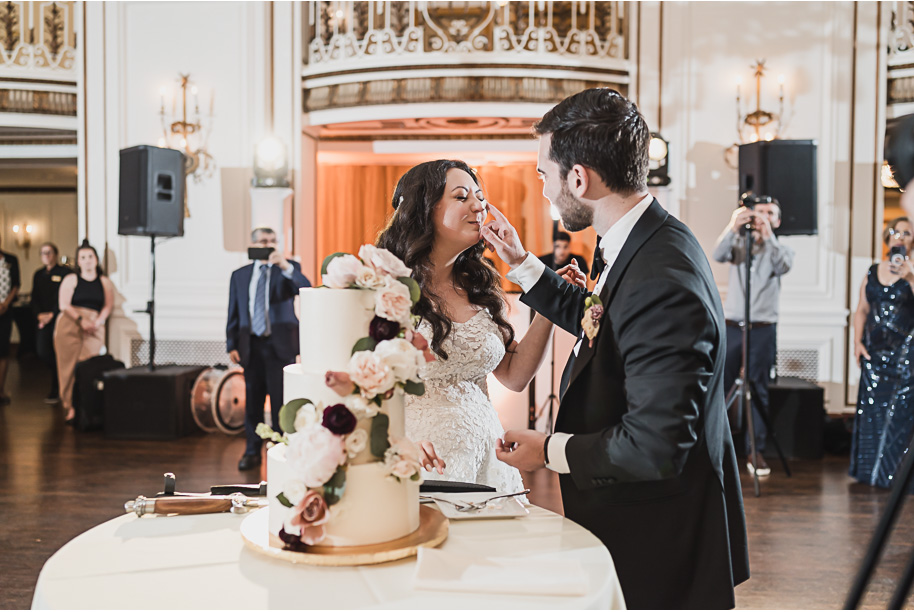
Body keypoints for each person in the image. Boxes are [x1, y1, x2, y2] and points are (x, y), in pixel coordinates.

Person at [483, 88, 749, 609]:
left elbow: (654, 444)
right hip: (640, 518)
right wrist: (520, 261)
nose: (543, 190)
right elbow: (604, 319)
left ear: (578, 178)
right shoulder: (642, 240)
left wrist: (549, 450)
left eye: (544, 175)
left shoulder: (661, 277)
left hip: (660, 537)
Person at [376, 160, 585, 491]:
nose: (479, 206)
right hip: (419, 462)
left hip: (487, 459)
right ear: (425, 209)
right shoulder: (385, 286)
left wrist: (549, 307)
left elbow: (515, 376)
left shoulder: (479, 284)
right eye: (461, 197)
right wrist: (395, 443)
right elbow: (361, 388)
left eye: (480, 196)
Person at [712, 195, 795, 477]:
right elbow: (718, 254)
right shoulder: (738, 244)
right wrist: (733, 226)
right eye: (758, 212)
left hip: (762, 329)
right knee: (720, 387)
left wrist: (768, 235)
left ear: (777, 220)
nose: (762, 217)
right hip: (733, 325)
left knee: (758, 389)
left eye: (769, 213)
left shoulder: (780, 248)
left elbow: (783, 265)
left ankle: (754, 450)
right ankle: (714, 447)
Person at [227, 227, 311, 471]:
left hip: (279, 345)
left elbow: (304, 288)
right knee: (252, 401)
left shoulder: (287, 268)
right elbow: (233, 310)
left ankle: (281, 448)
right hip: (250, 345)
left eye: (273, 241)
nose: (269, 245)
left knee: (280, 402)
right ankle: (252, 450)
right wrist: (231, 343)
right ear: (253, 245)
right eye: (263, 241)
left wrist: (284, 266)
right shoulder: (240, 275)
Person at [849, 217, 914, 488]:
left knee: (900, 416)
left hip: (905, 355)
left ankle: (896, 479)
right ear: (887, 238)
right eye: (895, 232)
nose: (899, 236)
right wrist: (857, 343)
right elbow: (861, 310)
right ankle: (869, 474)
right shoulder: (872, 270)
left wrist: (910, 276)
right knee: (872, 414)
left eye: (906, 232)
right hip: (874, 355)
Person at [54, 241, 114, 424]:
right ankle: (69, 406)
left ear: (96, 260)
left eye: (90, 257)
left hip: (94, 326)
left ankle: (86, 406)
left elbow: (108, 305)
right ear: (78, 261)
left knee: (87, 366)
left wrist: (97, 322)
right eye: (83, 258)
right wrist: (81, 321)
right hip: (71, 323)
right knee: (67, 368)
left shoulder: (104, 282)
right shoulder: (70, 280)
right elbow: (64, 305)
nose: (87, 261)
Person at [32, 243, 73, 404]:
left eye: (49, 252)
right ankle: (59, 381)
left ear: (55, 254)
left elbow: (65, 297)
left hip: (59, 319)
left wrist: (52, 314)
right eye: (43, 253)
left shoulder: (65, 273)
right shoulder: (38, 274)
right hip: (43, 320)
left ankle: (58, 390)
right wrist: (39, 316)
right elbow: (34, 298)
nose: (46, 256)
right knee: (43, 352)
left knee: (60, 354)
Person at [0, 236, 20, 406]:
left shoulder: (11, 260)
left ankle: (1, 389)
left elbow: (16, 284)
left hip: (5, 311)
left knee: (3, 350)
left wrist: (5, 304)